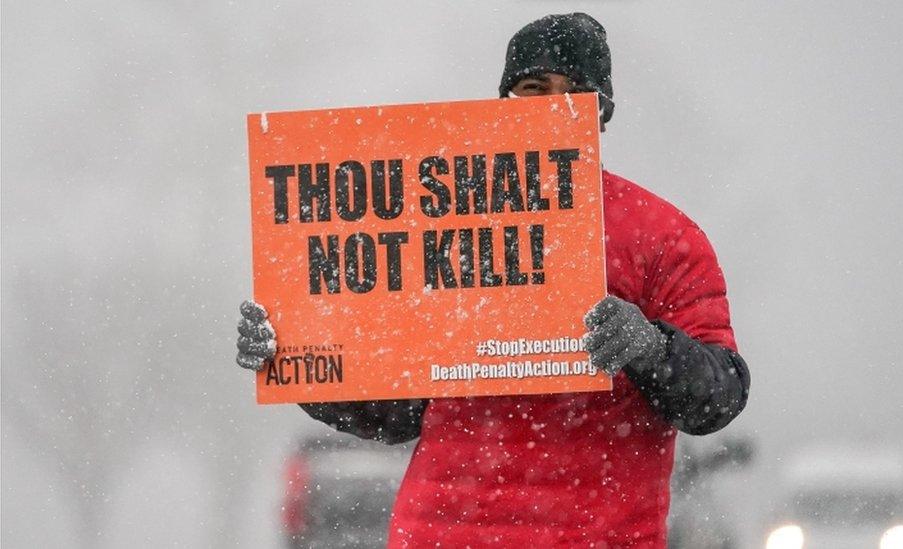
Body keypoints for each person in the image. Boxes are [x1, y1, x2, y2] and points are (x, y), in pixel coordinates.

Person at [236, 12, 750, 548]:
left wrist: (649, 347)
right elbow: (399, 413)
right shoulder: (439, 222)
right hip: (440, 535)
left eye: (575, 90)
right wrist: (299, 360)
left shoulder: (662, 238)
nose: (554, 104)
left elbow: (721, 395)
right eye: (534, 87)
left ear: (604, 111)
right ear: (503, 101)